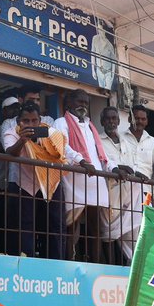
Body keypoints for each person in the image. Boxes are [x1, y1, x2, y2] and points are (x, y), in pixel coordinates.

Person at [1, 102, 85, 259]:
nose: (31, 124)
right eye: (26, 121)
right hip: (24, 185)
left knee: (55, 225)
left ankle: (55, 262)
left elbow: (65, 149)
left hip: (50, 184)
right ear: (19, 121)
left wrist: (82, 161)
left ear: (40, 120)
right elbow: (10, 152)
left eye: (34, 121)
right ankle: (26, 261)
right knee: (24, 226)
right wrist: (23, 139)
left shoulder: (49, 132)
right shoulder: (12, 133)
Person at [99, 105, 154, 261]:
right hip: (119, 191)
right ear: (129, 119)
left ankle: (138, 263)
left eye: (143, 119)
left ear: (147, 121)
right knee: (120, 229)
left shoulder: (152, 142)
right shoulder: (122, 137)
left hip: (144, 192)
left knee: (141, 228)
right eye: (136, 118)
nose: (139, 122)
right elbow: (119, 162)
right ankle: (128, 263)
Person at [54, 90, 112, 262]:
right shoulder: (61, 122)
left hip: (95, 181)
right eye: (80, 102)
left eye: (86, 103)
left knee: (95, 228)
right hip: (75, 179)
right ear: (68, 103)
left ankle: (96, 263)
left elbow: (101, 153)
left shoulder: (90, 126)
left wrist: (113, 167)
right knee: (71, 225)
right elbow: (62, 146)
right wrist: (81, 161)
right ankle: (69, 262)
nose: (83, 106)